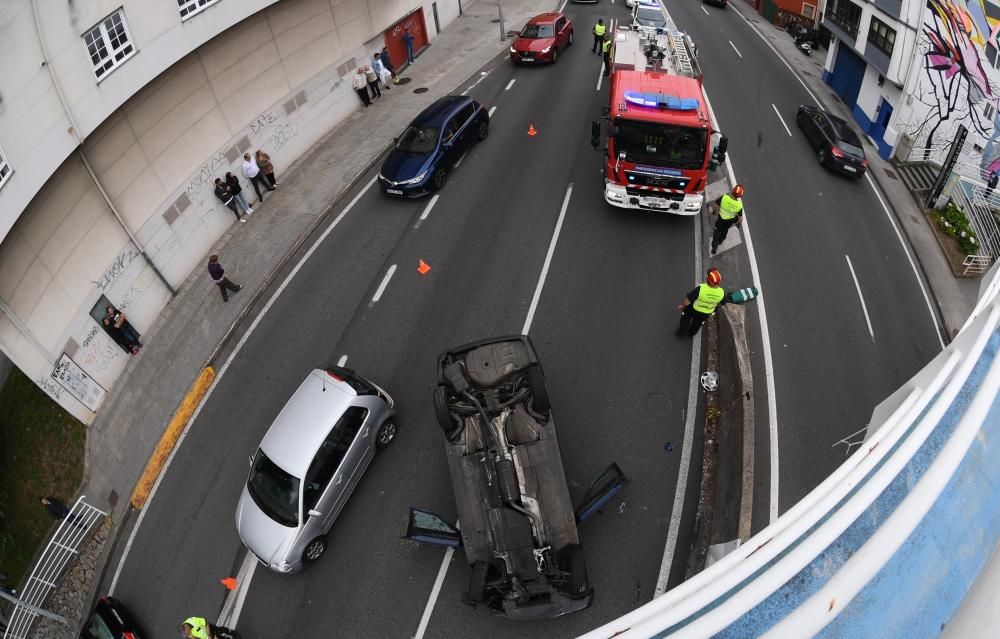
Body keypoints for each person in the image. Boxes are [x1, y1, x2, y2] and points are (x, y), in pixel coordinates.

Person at [676, 268, 726, 337]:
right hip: (706, 313)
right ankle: (691, 334)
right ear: (719, 282)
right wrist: (714, 310)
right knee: (697, 324)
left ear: (708, 279)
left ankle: (682, 332)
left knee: (685, 317)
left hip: (694, 309)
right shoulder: (722, 292)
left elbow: (688, 300)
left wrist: (682, 306)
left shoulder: (701, 288)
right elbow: (723, 303)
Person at [711, 184, 745, 255]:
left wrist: (714, 212)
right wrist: (738, 224)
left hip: (720, 219)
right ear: (739, 196)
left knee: (717, 231)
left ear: (733, 190)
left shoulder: (724, 197)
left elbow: (715, 206)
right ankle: (720, 240)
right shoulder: (739, 205)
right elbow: (740, 218)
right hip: (729, 221)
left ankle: (714, 247)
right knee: (725, 230)